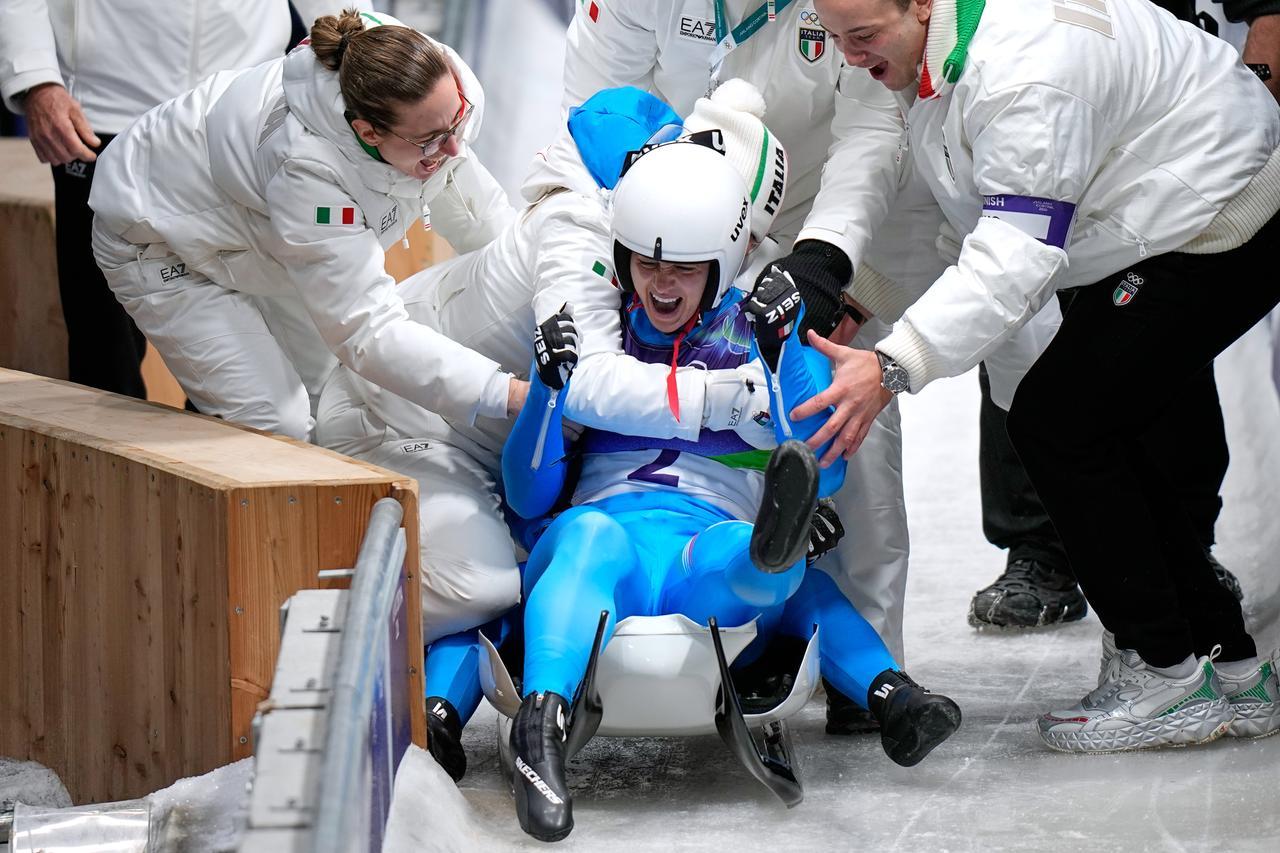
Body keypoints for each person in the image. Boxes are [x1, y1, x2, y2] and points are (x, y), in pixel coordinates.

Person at [560, 1, 1078, 718]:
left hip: (846, 215)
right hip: (678, 222)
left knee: (842, 411)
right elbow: (589, 115)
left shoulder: (842, 7)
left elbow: (870, 133)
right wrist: (629, 236)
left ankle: (862, 669)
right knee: (642, 393)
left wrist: (829, 266)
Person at [803, 0, 1280, 751]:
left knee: (1062, 419)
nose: (851, 57)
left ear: (921, 5)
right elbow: (956, 218)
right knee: (1090, 420)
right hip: (1173, 205)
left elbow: (1012, 257)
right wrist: (864, 306)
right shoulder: (946, 55)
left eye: (861, 37)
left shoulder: (1017, 71)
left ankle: (1164, 673)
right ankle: (1227, 664)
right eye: (834, 40)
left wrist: (894, 367)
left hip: (1224, 211)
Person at [314, 81, 792, 780]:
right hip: (413, 416)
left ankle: (449, 707)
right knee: (491, 582)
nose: (666, 282)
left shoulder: (623, 231)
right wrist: (725, 397)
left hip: (484, 420)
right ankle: (350, 674)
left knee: (547, 549)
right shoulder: (583, 231)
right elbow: (592, 386)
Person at [501, 138, 961, 843]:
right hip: (599, 537)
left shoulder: (765, 330)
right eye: (647, 263)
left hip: (701, 548)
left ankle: (773, 551)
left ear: (721, 266)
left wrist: (783, 354)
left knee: (737, 551)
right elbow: (530, 498)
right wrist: (546, 390)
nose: (661, 285)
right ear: (621, 256)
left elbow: (826, 466)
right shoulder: (593, 331)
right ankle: (541, 728)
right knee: (590, 536)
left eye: (684, 269)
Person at [87, 9, 514, 440]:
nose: (454, 146)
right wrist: (504, 393)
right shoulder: (306, 168)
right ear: (368, 133)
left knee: (330, 398)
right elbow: (368, 332)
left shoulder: (413, 71)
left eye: (457, 119)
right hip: (158, 235)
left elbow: (482, 217)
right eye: (430, 141)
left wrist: (533, 279)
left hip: (260, 230)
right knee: (277, 426)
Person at [0, 0, 367, 398]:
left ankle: (219, 456)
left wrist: (371, 63)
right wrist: (36, 79)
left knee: (252, 339)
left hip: (243, 112)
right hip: (104, 114)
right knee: (102, 347)